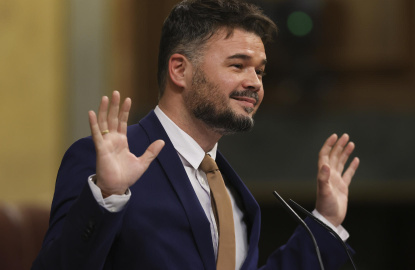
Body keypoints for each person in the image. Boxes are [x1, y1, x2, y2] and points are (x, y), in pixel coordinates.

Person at [32, 0, 359, 269]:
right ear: (180, 70)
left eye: (259, 70)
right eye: (238, 65)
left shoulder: (234, 192)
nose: (255, 82)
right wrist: (106, 195)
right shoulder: (101, 160)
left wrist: (326, 222)